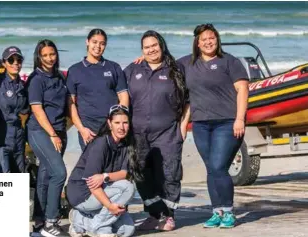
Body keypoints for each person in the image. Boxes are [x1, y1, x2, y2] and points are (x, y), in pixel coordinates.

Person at [177, 23, 249, 228]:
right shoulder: (187, 64)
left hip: (227, 122)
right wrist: (141, 60)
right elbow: (162, 63)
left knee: (218, 166)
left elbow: (243, 90)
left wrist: (240, 119)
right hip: (200, 124)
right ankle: (216, 211)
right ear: (197, 43)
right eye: (204, 39)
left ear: (217, 40)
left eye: (212, 38)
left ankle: (228, 211)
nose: (209, 41)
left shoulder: (229, 61)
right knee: (211, 169)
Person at [124, 30, 189, 231]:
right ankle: (154, 214)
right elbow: (119, 96)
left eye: (154, 45)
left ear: (161, 46)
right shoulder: (132, 70)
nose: (151, 50)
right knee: (141, 173)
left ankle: (168, 216)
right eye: (146, 47)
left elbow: (188, 102)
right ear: (142, 50)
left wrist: (183, 128)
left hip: (167, 133)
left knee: (169, 174)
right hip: (137, 134)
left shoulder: (175, 70)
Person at [66, 105, 142, 237]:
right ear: (109, 123)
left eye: (125, 122)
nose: (121, 127)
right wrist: (110, 206)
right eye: (117, 123)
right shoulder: (100, 144)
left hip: (102, 189)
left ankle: (80, 220)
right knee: (127, 187)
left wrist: (105, 176)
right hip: (82, 193)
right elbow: (92, 184)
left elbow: (126, 173)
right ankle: (100, 227)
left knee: (127, 230)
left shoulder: (126, 144)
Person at [26, 39, 69, 237]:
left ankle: (39, 223)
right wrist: (52, 134)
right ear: (39, 57)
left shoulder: (59, 77)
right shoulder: (36, 79)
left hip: (59, 131)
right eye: (45, 55)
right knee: (59, 173)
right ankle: (51, 222)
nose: (49, 58)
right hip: (40, 132)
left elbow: (67, 104)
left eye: (52, 54)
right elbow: (36, 109)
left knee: (45, 176)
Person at [67, 28, 129, 151]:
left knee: (112, 166)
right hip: (88, 129)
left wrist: (118, 124)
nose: (98, 46)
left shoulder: (114, 67)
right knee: (92, 167)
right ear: (87, 42)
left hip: (111, 127)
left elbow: (124, 97)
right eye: (94, 42)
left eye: (102, 43)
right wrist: (81, 129)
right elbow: (71, 103)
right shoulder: (75, 70)